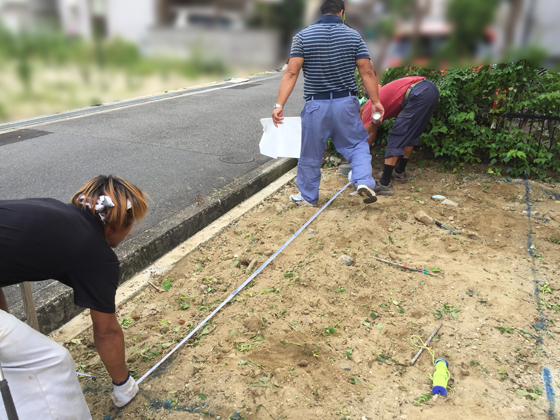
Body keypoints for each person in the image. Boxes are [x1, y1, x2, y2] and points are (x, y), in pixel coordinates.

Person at [0, 175, 148, 419]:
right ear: (117, 224)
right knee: (54, 363)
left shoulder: (53, 210)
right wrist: (123, 384)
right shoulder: (97, 253)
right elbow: (106, 330)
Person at [272, 0, 385, 206]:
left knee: (310, 152)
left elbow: (291, 72)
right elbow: (367, 71)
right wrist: (375, 102)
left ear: (320, 13)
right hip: (346, 104)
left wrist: (279, 105)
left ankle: (308, 196)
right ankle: (363, 181)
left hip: (316, 106)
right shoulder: (353, 36)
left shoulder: (302, 37)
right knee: (357, 144)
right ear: (342, 13)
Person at [361, 76, 439, 195]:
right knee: (411, 133)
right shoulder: (373, 104)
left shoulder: (367, 109)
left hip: (418, 93)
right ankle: (399, 172)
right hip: (430, 90)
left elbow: (368, 137)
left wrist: (359, 162)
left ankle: (384, 183)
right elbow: (373, 131)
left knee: (398, 134)